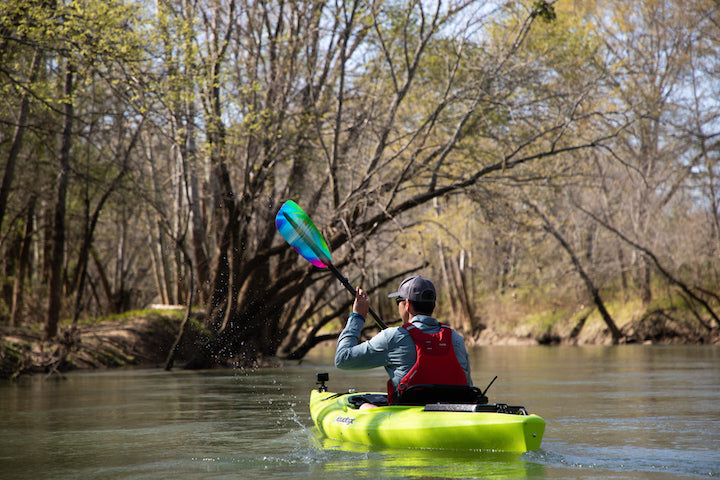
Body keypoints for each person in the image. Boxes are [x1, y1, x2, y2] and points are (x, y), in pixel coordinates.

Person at [335, 275, 473, 404]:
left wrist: (357, 317)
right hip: (455, 411)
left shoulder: (393, 336)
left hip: (411, 412)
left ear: (407, 304)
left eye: (398, 301)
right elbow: (468, 387)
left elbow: (342, 359)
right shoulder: (456, 338)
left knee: (362, 405)